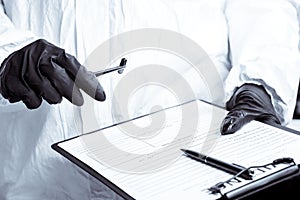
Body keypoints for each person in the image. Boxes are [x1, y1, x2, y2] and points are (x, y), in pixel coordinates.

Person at [0, 0, 299, 199]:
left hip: (196, 151)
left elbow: (264, 6)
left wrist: (260, 83)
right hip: (42, 172)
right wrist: (8, 53)